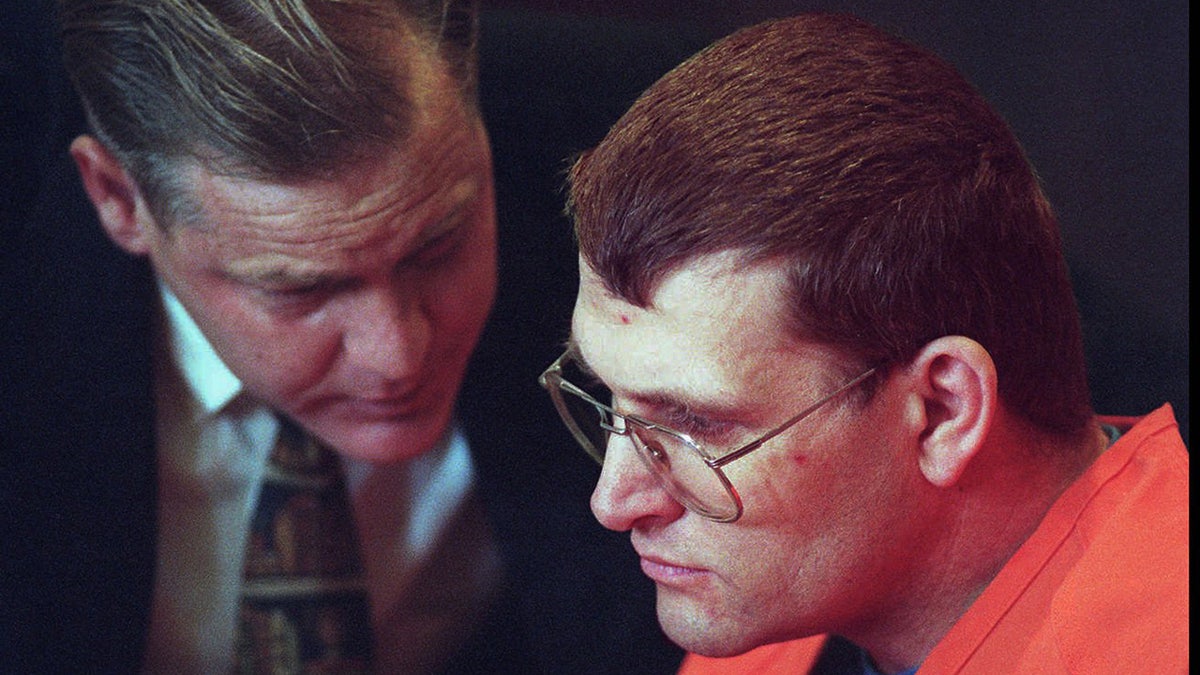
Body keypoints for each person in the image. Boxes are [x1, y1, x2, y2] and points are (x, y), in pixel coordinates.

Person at [0, 0, 690, 672]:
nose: (398, 354)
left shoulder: (628, 155)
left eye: (438, 245)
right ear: (119, 200)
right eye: (300, 289)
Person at [541, 13, 1188, 674]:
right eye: (605, 397)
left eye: (697, 425)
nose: (612, 502)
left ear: (942, 411)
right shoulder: (783, 608)